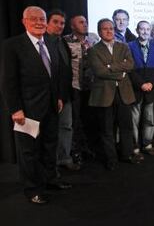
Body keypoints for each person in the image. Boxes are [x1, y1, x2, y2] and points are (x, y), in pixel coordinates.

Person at [0, 6, 71, 205]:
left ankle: (50, 179)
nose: (39, 22)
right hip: (27, 110)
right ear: (24, 21)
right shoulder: (12, 45)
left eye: (42, 18)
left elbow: (55, 76)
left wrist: (58, 98)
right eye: (34, 19)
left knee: (50, 146)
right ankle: (32, 189)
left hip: (51, 107)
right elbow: (8, 81)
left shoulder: (50, 42)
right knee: (28, 151)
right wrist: (15, 109)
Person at [88, 19, 138, 170]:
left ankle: (127, 154)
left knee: (126, 126)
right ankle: (111, 159)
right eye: (105, 29)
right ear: (99, 31)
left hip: (124, 93)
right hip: (104, 95)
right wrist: (119, 73)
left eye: (111, 28)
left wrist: (110, 66)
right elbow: (99, 71)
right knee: (106, 129)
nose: (109, 31)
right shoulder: (93, 50)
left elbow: (130, 65)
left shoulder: (123, 46)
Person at [46, 9, 80, 171]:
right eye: (55, 22)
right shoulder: (42, 42)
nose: (59, 26)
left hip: (65, 93)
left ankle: (64, 158)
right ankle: (51, 164)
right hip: (49, 96)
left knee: (66, 127)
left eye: (62, 23)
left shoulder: (62, 41)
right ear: (47, 22)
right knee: (50, 131)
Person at [64, 15, 99, 165]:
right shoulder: (65, 41)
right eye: (81, 22)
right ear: (72, 26)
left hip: (92, 86)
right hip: (75, 86)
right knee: (75, 120)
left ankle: (88, 148)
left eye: (86, 22)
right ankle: (75, 151)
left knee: (90, 119)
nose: (85, 24)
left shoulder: (93, 39)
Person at [129, 21, 154, 156]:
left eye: (147, 29)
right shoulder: (130, 46)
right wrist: (141, 84)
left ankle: (147, 144)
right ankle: (135, 146)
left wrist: (150, 84)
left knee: (150, 118)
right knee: (134, 119)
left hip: (151, 88)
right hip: (136, 88)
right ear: (137, 30)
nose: (145, 31)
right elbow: (130, 69)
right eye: (142, 29)